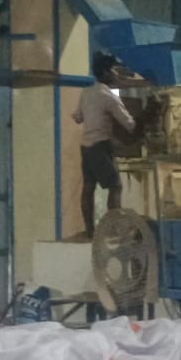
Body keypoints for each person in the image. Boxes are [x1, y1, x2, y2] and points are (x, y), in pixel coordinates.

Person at [72, 52, 136, 237]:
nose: (117, 74)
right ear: (106, 72)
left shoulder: (87, 92)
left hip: (85, 146)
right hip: (101, 145)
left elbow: (78, 117)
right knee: (115, 187)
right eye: (115, 70)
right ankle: (114, 230)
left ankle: (89, 231)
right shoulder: (109, 96)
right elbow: (130, 124)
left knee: (88, 187)